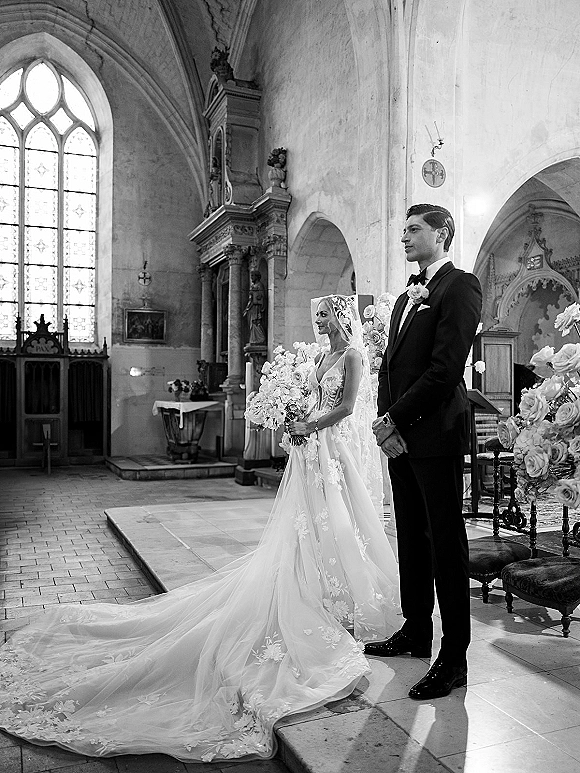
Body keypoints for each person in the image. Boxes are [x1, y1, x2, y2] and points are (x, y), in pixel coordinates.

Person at [0, 295, 399, 763]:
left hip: (331, 451)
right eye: (315, 315)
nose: (319, 321)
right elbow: (312, 395)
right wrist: (292, 415)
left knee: (337, 526)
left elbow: (349, 406)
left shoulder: (351, 356)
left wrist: (307, 423)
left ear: (342, 316)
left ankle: (337, 601)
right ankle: (313, 593)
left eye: (325, 314)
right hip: (308, 451)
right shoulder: (317, 357)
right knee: (304, 528)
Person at [366, 204, 482, 700]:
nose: (405, 238)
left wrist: (396, 419)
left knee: (443, 542)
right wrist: (384, 424)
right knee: (410, 537)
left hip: (434, 434)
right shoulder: (404, 299)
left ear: (444, 233)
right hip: (402, 438)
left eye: (415, 230)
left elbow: (445, 369)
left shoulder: (461, 287)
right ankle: (416, 632)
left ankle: (453, 655)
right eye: (404, 231)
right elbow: (389, 368)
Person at [243, 269, 266, 344]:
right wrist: (247, 309)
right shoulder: (253, 286)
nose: (251, 277)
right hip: (252, 308)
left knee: (256, 322)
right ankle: (253, 339)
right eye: (251, 276)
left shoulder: (259, 285)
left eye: (253, 276)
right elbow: (250, 299)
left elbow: (258, 298)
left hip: (256, 308)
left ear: (257, 276)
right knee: (252, 324)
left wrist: (248, 308)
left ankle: (260, 339)